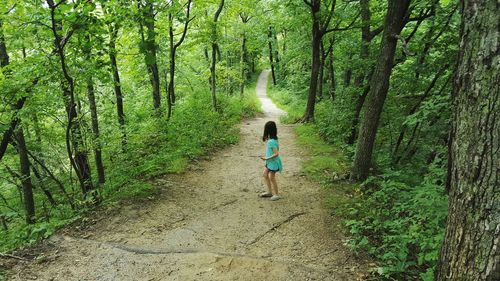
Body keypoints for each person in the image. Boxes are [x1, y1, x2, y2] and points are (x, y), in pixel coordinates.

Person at [259, 121, 283, 201]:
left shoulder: (271, 141)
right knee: (265, 175)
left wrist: (266, 158)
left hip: (273, 163)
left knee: (271, 177)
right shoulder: (273, 139)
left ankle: (276, 194)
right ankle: (269, 192)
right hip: (270, 163)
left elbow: (276, 154)